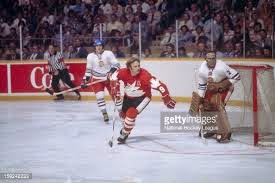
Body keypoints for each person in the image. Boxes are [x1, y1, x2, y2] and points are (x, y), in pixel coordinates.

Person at [109, 57, 176, 144]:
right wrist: (115, 88)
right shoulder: (124, 72)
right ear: (129, 68)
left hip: (143, 98)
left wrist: (167, 98)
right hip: (128, 97)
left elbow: (160, 86)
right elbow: (113, 76)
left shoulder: (144, 75)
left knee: (131, 114)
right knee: (123, 115)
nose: (138, 68)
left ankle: (124, 133)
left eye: (138, 65)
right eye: (135, 66)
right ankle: (127, 128)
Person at [189, 51, 240, 142]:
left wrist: (222, 85)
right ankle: (210, 128)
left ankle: (225, 132)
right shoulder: (202, 70)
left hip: (225, 88)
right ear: (205, 59)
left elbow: (237, 76)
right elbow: (202, 86)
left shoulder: (222, 67)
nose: (212, 60)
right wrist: (200, 98)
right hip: (212, 89)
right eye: (209, 58)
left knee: (217, 105)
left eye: (213, 58)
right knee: (205, 105)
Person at [81, 39, 122, 122]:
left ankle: (121, 113)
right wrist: (84, 81)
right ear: (94, 47)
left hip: (109, 78)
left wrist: (110, 73)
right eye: (97, 46)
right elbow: (88, 70)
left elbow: (117, 65)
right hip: (97, 79)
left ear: (102, 46)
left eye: (100, 45)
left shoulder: (108, 53)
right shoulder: (90, 56)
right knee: (100, 97)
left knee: (116, 96)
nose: (98, 47)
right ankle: (104, 114)